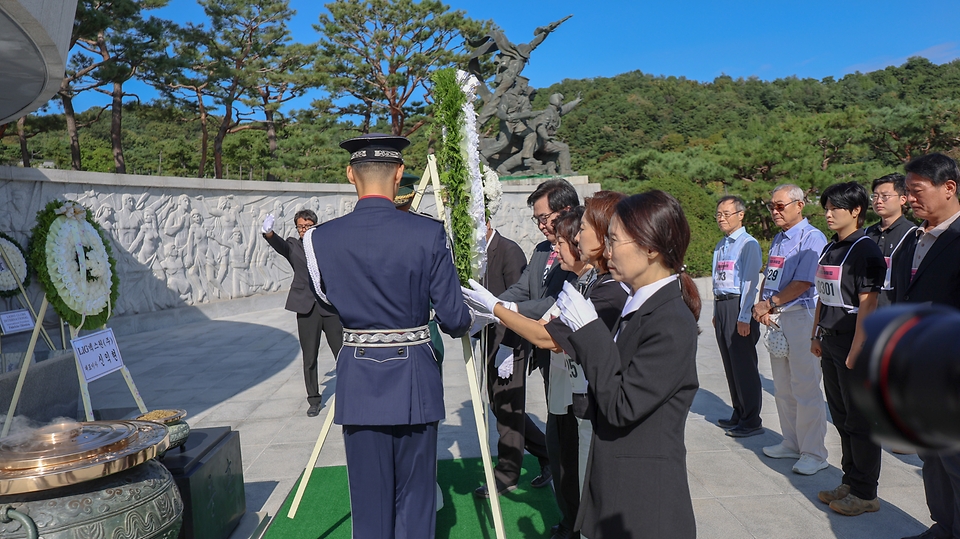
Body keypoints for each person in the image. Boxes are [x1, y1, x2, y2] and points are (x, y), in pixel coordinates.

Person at [302, 133, 472, 539]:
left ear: (349, 174)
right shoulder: (429, 233)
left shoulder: (318, 239)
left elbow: (326, 300)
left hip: (358, 377)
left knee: (368, 499)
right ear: (399, 175)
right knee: (416, 497)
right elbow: (453, 318)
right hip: (414, 375)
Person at [550, 190, 699, 539]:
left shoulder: (671, 320)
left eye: (614, 240)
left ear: (650, 248)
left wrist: (588, 331)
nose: (608, 250)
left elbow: (621, 406)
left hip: (645, 502)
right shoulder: (640, 305)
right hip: (619, 485)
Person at [496, 178, 579, 539]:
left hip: (573, 356)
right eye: (537, 220)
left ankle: (578, 518)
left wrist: (506, 309)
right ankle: (568, 514)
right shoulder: (543, 251)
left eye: (545, 217)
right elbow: (523, 287)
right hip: (548, 358)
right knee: (558, 432)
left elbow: (555, 302)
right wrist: (491, 303)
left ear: (567, 211)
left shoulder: (580, 251)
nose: (542, 225)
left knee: (574, 440)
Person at [891, 152, 960, 539]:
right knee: (932, 458)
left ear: (948, 188)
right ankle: (943, 525)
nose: (910, 199)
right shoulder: (911, 241)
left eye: (917, 191)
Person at [809, 181, 886, 516]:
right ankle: (850, 480)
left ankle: (866, 492)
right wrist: (815, 335)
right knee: (841, 416)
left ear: (856, 211)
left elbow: (869, 305)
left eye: (834, 208)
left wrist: (855, 352)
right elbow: (822, 297)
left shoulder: (866, 249)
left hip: (856, 342)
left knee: (861, 420)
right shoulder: (831, 247)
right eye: (826, 207)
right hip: (830, 340)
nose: (827, 214)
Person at [752, 184, 830, 475]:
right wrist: (763, 304)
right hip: (776, 317)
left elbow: (804, 282)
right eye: (772, 206)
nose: (774, 211)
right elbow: (769, 275)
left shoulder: (811, 237)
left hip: (801, 316)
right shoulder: (779, 238)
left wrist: (769, 303)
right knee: (783, 387)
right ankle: (792, 442)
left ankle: (814, 452)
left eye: (780, 206)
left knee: (805, 386)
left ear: (800, 205)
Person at [471, 219, 551, 499]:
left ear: (488, 222)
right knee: (500, 406)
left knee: (507, 408)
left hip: (510, 342)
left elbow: (519, 302)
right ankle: (547, 452)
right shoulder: (480, 253)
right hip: (491, 340)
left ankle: (507, 474)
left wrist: (508, 347)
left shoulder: (509, 250)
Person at [261, 209, 343, 417]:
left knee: (342, 353)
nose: (304, 230)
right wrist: (268, 232)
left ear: (315, 225)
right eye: (300, 227)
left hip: (329, 306)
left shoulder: (325, 244)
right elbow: (278, 244)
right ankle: (314, 400)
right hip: (306, 308)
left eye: (307, 226)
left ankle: (349, 392)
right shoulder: (293, 246)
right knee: (309, 356)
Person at [711, 195, 764, 437]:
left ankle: (751, 418)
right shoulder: (721, 245)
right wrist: (715, 311)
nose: (721, 218)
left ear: (740, 215)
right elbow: (717, 281)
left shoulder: (748, 244)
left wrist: (744, 317)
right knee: (730, 364)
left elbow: (750, 284)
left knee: (744, 365)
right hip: (723, 306)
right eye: (719, 214)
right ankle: (739, 410)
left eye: (726, 214)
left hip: (739, 306)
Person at [864, 173, 917, 308]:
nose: (878, 201)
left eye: (885, 196)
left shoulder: (913, 234)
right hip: (865, 311)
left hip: (896, 313)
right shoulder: (866, 234)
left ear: (903, 199)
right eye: (875, 196)